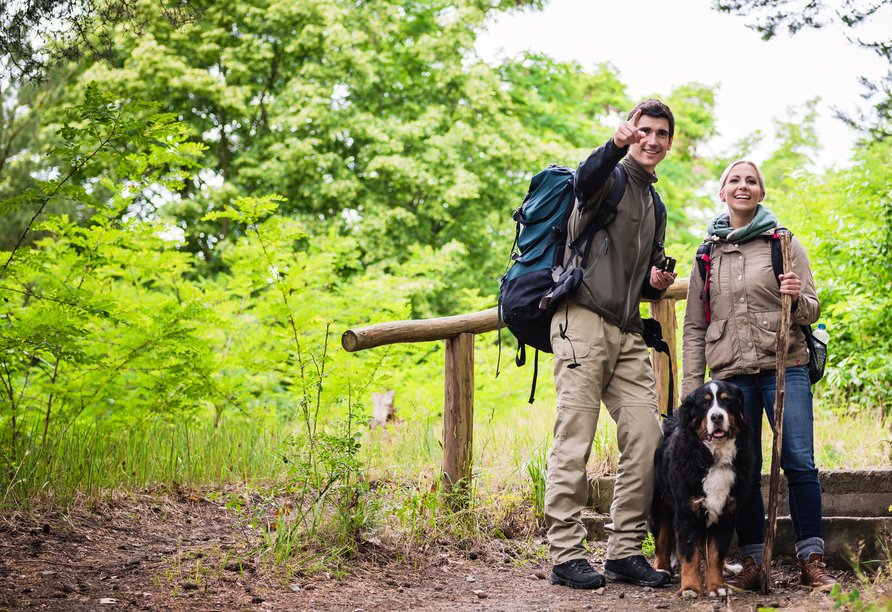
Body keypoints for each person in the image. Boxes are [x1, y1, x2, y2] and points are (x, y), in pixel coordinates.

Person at [680, 160, 839, 592]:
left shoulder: (782, 243)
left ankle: (811, 558)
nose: (743, 186)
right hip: (730, 379)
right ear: (723, 193)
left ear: (761, 193)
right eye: (734, 180)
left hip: (784, 367)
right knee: (743, 470)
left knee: (799, 461)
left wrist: (796, 297)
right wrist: (692, 389)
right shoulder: (706, 254)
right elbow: (694, 326)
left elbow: (812, 306)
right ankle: (752, 560)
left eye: (751, 181)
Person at [546, 99, 678, 590]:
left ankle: (624, 551)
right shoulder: (611, 177)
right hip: (580, 321)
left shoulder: (655, 202)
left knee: (647, 436)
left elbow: (639, 282)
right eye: (644, 130)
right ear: (631, 132)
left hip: (626, 332)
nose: (652, 140)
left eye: (661, 133)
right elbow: (583, 182)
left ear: (669, 142)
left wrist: (657, 283)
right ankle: (565, 554)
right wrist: (612, 145)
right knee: (574, 437)